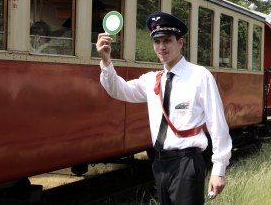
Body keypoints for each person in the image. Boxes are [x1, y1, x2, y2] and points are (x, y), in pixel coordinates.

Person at [96, 11, 232, 204]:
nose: (161, 47)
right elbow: (119, 90)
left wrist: (219, 169)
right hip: (160, 164)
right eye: (157, 42)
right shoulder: (152, 79)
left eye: (167, 40)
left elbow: (217, 125)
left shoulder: (199, 76)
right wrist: (106, 62)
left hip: (187, 163)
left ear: (180, 43)